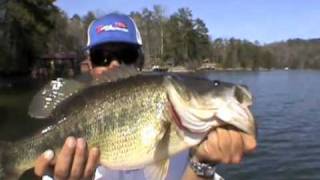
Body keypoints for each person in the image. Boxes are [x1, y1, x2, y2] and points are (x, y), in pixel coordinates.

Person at [34, 13, 256, 180]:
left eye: (126, 55)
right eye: (102, 57)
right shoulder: (61, 165)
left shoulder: (190, 143)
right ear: (89, 64)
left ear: (139, 61)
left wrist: (202, 164)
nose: (114, 64)